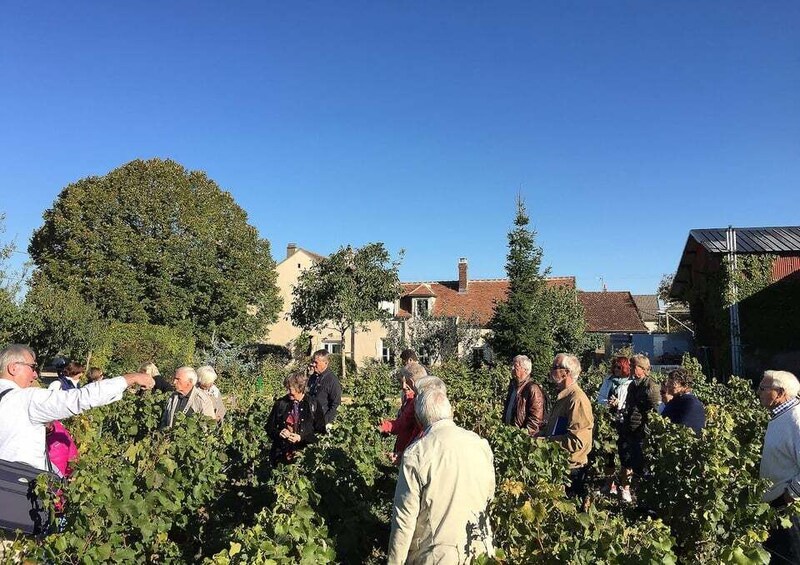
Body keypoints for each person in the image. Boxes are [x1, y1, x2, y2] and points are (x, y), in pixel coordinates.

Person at [0, 344, 154, 471]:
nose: (35, 375)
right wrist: (130, 378)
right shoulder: (26, 399)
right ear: (13, 368)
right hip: (17, 490)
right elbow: (80, 398)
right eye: (32, 367)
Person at [387, 387, 495, 564]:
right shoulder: (480, 444)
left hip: (436, 555)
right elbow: (489, 495)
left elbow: (404, 520)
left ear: (420, 421)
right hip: (479, 550)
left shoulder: (417, 453)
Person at [758, 370, 800, 563]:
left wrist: (788, 495)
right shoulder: (780, 417)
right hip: (777, 505)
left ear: (781, 392)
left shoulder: (796, 420)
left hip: (790, 511)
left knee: (789, 558)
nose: (758, 391)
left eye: (763, 388)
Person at [540, 353, 594, 500]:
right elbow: (555, 429)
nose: (551, 371)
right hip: (559, 465)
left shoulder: (577, 400)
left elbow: (578, 441)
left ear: (567, 373)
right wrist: (538, 435)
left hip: (571, 470)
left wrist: (544, 442)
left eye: (555, 367)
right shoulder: (563, 397)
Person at [618, 354, 660, 503]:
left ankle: (645, 497)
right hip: (629, 429)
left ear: (642, 369)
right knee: (626, 460)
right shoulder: (632, 385)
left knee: (641, 465)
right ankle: (627, 491)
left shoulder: (651, 386)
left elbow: (657, 410)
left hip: (641, 432)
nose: (630, 368)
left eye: (633, 366)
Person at [266, 372, 326, 465]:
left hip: (305, 456)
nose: (288, 392)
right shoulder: (281, 403)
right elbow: (269, 428)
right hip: (282, 455)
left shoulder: (313, 404)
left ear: (300, 388)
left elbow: (321, 432)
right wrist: (279, 433)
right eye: (287, 388)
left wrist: (301, 438)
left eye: (290, 389)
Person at [596, 356, 632, 497]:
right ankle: (609, 484)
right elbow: (600, 398)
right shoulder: (608, 381)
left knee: (625, 455)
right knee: (609, 454)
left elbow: (629, 403)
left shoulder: (630, 383)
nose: (616, 370)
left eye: (619, 367)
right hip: (609, 422)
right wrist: (608, 403)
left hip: (624, 422)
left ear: (625, 368)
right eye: (615, 367)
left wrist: (619, 404)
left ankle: (625, 488)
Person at [377, 364, 426, 464]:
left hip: (414, 457)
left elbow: (404, 425)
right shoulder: (412, 399)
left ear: (413, 382)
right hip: (409, 453)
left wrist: (383, 426)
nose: (403, 386)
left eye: (405, 382)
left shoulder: (417, 402)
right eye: (401, 382)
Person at [502, 354, 546, 436]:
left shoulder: (533, 389)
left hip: (521, 438)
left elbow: (536, 419)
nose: (512, 368)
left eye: (516, 366)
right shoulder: (513, 386)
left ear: (525, 370)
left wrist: (524, 436)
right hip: (509, 434)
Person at [661, 368, 706, 434]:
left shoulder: (680, 403)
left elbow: (663, 420)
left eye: (672, 383)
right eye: (668, 382)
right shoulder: (694, 401)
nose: (668, 385)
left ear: (684, 385)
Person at [307, 350, 342, 427]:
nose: (313, 364)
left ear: (325, 363)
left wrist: (325, 421)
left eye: (316, 362)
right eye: (313, 362)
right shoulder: (313, 377)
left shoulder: (332, 380)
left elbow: (336, 405)